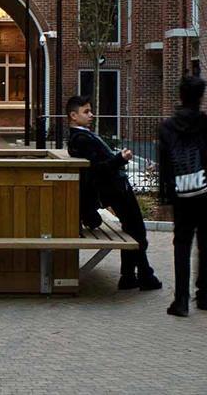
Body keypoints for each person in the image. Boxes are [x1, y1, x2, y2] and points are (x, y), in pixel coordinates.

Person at [64, 93, 157, 292]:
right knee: (137, 231)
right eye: (86, 112)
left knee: (134, 231)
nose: (91, 115)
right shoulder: (80, 138)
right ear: (73, 115)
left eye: (91, 111)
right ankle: (142, 275)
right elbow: (98, 169)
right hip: (116, 189)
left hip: (115, 188)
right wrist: (121, 159)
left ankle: (132, 276)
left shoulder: (81, 135)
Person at [156, 74, 207, 317]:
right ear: (201, 97)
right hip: (206, 191)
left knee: (182, 243)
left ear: (180, 95)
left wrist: (165, 196)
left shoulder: (167, 128)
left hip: (181, 192)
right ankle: (203, 295)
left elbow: (164, 164)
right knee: (205, 242)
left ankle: (181, 300)